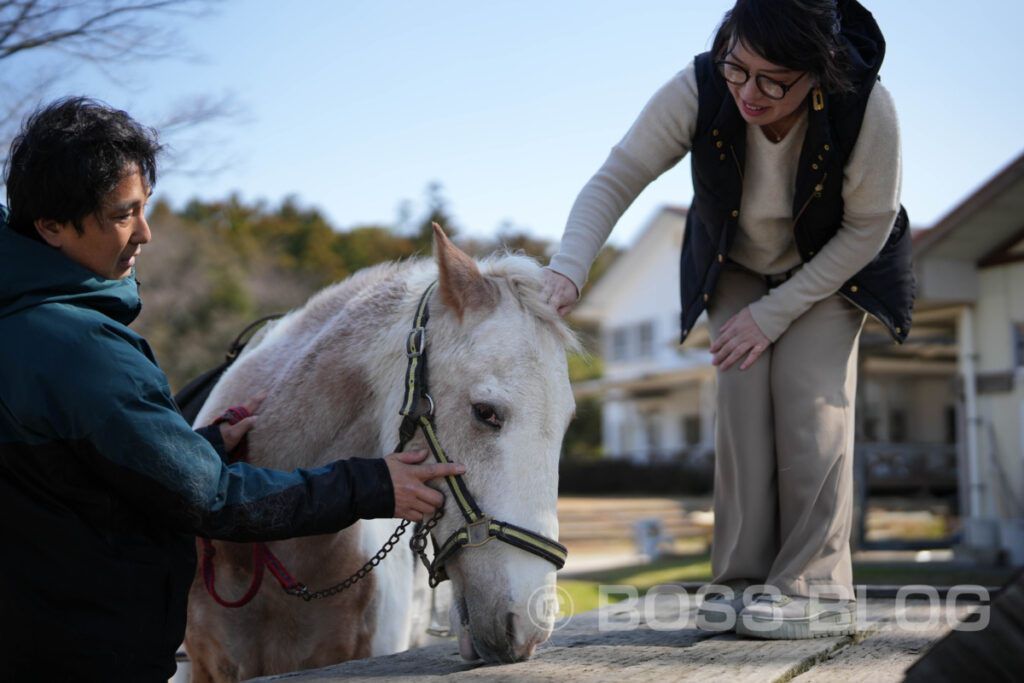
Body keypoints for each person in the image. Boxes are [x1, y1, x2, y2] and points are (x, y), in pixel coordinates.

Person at [0, 97, 465, 681]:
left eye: (145, 208)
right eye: (123, 214)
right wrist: (372, 484)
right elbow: (209, 500)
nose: (145, 232)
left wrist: (204, 443)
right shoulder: (78, 348)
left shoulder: (21, 325)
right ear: (51, 226)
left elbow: (83, 474)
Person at [543, 0, 913, 639]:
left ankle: (814, 587)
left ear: (818, 73)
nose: (750, 92)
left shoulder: (867, 107)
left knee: (810, 402)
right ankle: (739, 584)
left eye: (775, 81)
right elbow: (618, 176)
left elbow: (869, 228)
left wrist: (777, 313)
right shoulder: (701, 83)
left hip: (834, 265)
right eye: (739, 69)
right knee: (741, 403)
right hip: (737, 262)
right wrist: (567, 268)